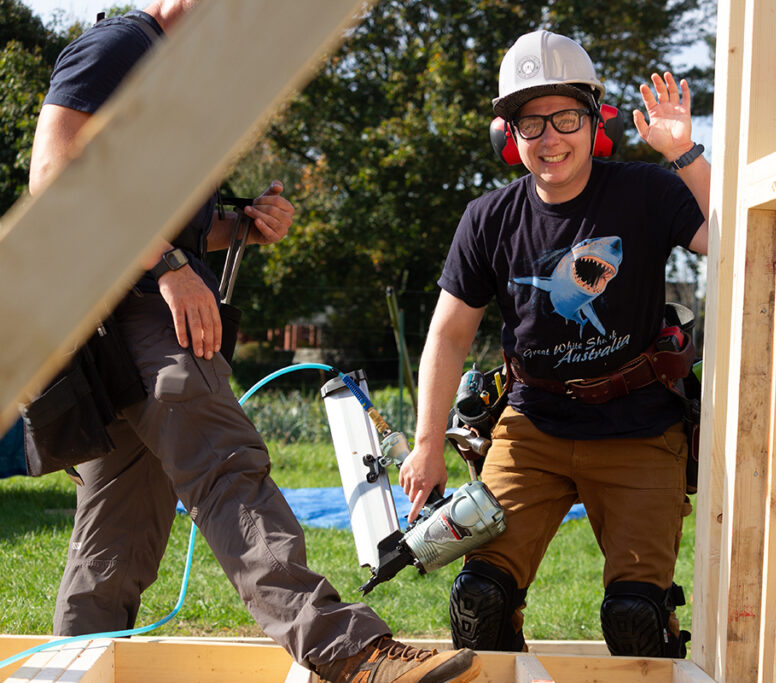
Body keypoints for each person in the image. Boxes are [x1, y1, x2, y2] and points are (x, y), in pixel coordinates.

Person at [28, 3, 481, 682]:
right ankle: (346, 649)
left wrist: (238, 227)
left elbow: (164, 218)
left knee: (117, 531)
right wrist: (169, 267)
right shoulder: (124, 44)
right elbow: (54, 171)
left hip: (110, 314)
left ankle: (69, 668)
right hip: (140, 304)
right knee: (227, 468)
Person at [399, 29, 710, 658]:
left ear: (593, 121)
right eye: (529, 122)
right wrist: (427, 446)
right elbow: (449, 331)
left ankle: (655, 633)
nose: (549, 138)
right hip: (532, 426)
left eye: (565, 116)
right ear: (508, 137)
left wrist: (684, 154)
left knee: (635, 618)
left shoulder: (646, 192)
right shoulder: (488, 218)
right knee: (478, 604)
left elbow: (735, 242)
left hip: (640, 427)